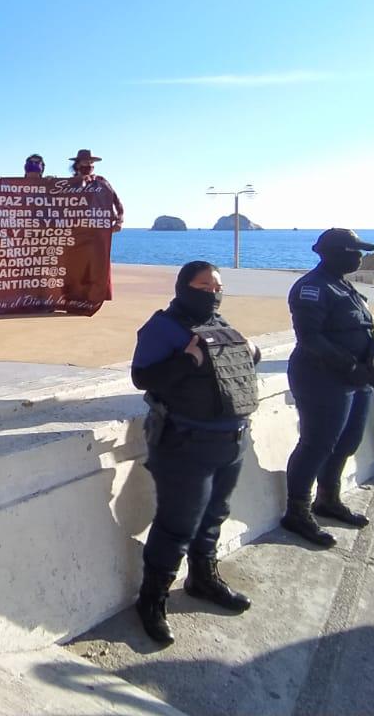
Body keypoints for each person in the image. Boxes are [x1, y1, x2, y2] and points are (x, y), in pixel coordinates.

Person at [131, 261, 259, 645]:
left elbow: (236, 366)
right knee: (177, 526)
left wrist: (250, 350)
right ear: (183, 287)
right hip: (186, 445)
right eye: (204, 287)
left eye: (217, 288)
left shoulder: (220, 324)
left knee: (214, 516)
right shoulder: (161, 328)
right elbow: (143, 378)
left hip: (231, 441)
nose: (213, 294)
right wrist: (187, 359)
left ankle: (203, 578)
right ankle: (152, 599)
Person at [280, 229, 374, 548]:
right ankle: (297, 511)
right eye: (354, 251)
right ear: (335, 252)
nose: (360, 257)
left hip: (356, 379)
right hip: (321, 378)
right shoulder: (312, 287)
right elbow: (310, 338)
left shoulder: (343, 285)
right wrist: (350, 365)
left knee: (347, 441)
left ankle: (328, 499)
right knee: (317, 444)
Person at [70, 149, 124, 231]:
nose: (89, 165)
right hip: (75, 231)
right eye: (85, 162)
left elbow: (116, 201)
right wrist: (50, 183)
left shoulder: (101, 182)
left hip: (97, 230)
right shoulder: (68, 184)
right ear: (77, 165)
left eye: (91, 162)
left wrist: (119, 222)